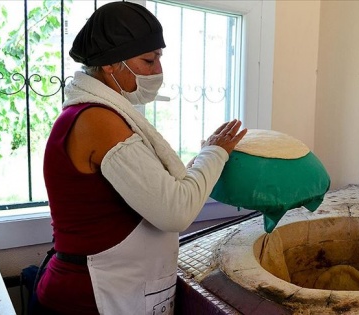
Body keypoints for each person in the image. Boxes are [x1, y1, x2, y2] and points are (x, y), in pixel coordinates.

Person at [34, 2, 247, 314]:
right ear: (110, 64)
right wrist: (215, 153)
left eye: (159, 58)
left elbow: (153, 191)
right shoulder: (97, 121)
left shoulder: (101, 115)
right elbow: (175, 211)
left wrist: (202, 160)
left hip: (113, 288)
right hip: (88, 298)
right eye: (148, 60)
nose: (158, 71)